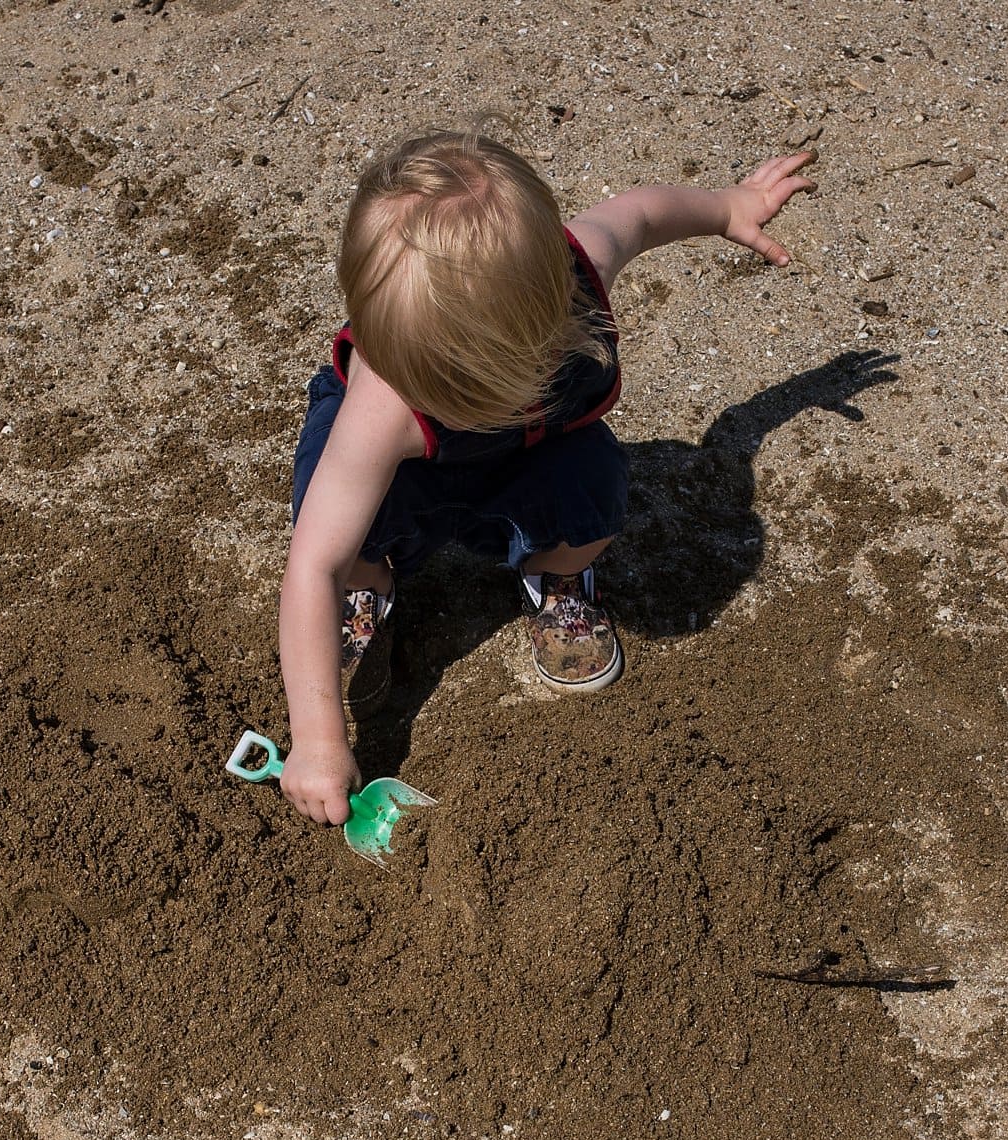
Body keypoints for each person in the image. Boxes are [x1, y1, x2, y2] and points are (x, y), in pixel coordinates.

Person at [277, 130, 818, 826]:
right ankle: (371, 585)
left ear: (550, 324)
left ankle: (554, 575)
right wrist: (317, 738)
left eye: (471, 386)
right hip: (405, 474)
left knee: (596, 490)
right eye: (437, 384)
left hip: (529, 454)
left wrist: (729, 207)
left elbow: (644, 214)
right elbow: (309, 565)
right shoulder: (383, 402)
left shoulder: (578, 273)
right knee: (341, 536)